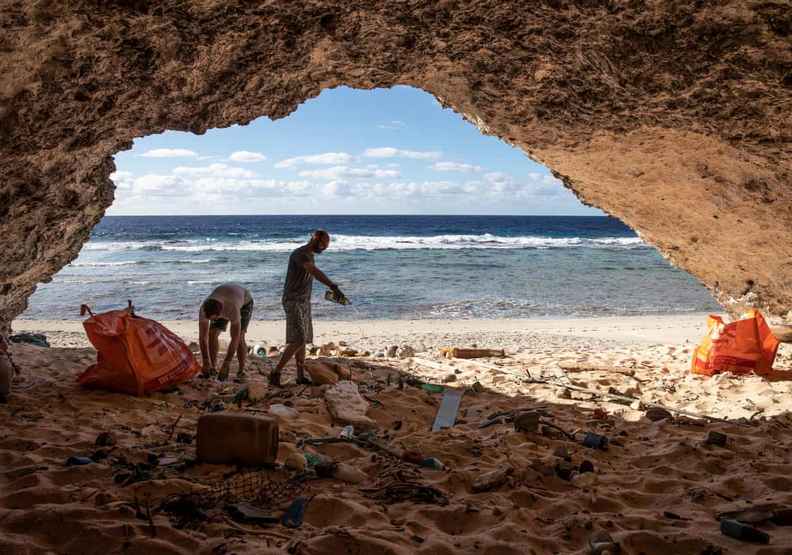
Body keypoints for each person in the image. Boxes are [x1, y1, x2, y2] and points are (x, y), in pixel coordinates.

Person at [269, 229, 344, 386]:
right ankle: (275, 373)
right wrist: (333, 286)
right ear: (315, 240)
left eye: (326, 245)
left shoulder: (309, 254)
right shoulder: (301, 254)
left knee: (303, 340)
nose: (325, 248)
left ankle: (300, 376)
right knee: (299, 339)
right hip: (293, 300)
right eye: (323, 244)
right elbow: (314, 272)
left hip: (304, 301)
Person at [198, 283, 254, 381]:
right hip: (225, 296)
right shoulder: (203, 309)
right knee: (212, 333)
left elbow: (234, 339)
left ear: (219, 314)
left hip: (245, 300)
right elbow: (203, 338)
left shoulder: (232, 309)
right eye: (209, 319)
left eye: (213, 319)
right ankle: (213, 368)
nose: (211, 321)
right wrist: (205, 361)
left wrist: (226, 363)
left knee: (240, 337)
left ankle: (241, 371)